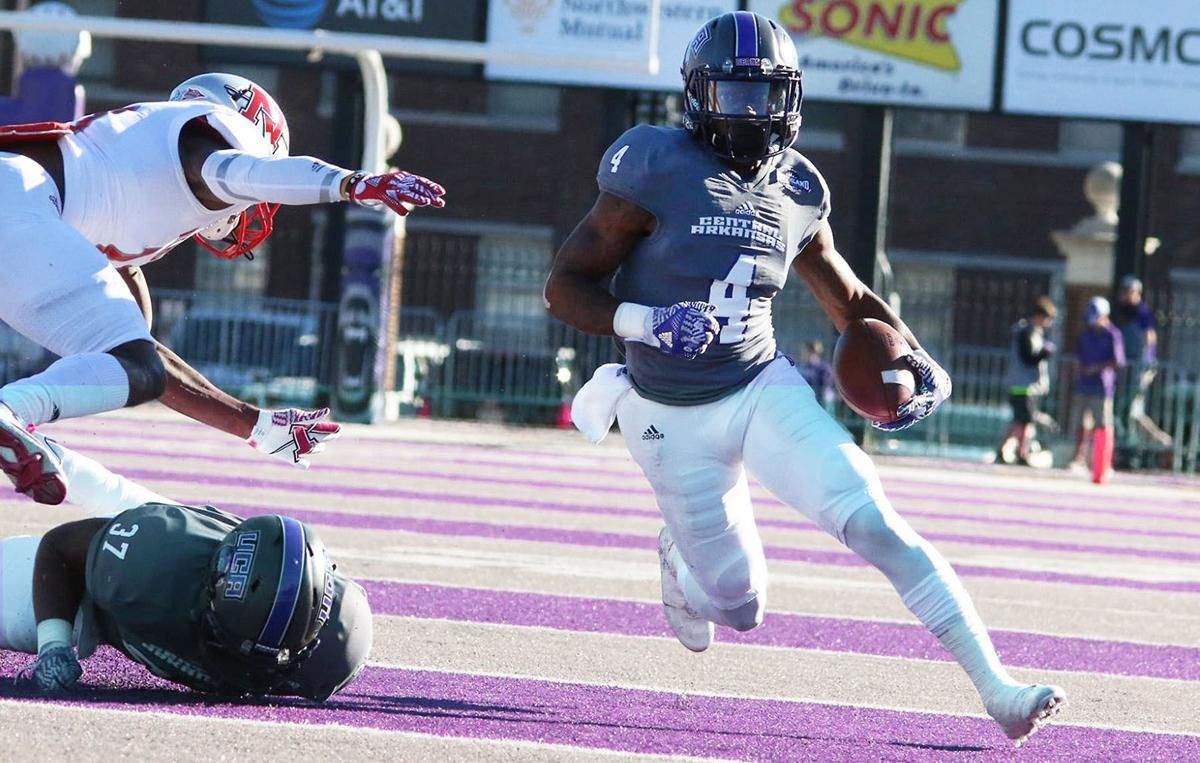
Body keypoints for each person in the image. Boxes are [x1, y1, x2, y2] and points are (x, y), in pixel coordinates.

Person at [545, 11, 1064, 747]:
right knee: (739, 605)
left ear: (791, 97)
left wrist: (917, 360)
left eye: (766, 95)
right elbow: (563, 287)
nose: (752, 113)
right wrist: (645, 323)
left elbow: (851, 303)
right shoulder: (651, 165)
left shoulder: (797, 186)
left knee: (874, 518)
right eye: (734, 94)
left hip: (760, 385)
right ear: (697, 96)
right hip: (668, 409)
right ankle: (682, 560)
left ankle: (998, 689)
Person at [0, 71, 446, 504]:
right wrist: (354, 184)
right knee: (131, 364)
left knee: (133, 365)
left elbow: (146, 366)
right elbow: (242, 174)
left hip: (24, 205)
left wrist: (257, 426)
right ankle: (13, 412)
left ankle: (13, 415)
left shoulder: (117, 182)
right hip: (19, 197)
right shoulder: (204, 142)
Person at [1, 433, 372, 699]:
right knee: (17, 598)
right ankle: (33, 437)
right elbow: (59, 548)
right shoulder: (146, 570)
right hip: (145, 565)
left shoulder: (335, 652)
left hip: (174, 540)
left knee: (119, 496)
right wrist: (54, 645)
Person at [1112, 276, 1172, 450]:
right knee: (1133, 411)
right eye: (1123, 291)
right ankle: (1157, 440)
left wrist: (1146, 368)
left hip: (1140, 368)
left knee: (1130, 408)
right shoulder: (1123, 311)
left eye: (1128, 292)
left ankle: (1159, 441)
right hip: (1130, 368)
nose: (1124, 295)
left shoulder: (1141, 312)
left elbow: (1150, 337)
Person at [1068, 296, 1125, 481]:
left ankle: (1104, 463)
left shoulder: (1113, 334)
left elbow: (1118, 361)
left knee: (1103, 425)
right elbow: (1079, 355)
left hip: (1102, 387)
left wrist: (1097, 367)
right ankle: (1079, 459)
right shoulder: (1086, 334)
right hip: (1084, 384)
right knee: (1081, 423)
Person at [996, 297, 1056, 466]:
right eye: (1047, 318)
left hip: (1022, 384)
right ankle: (1022, 452)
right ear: (1039, 316)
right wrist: (1045, 352)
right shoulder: (1027, 332)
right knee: (1026, 421)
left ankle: (1005, 449)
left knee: (1019, 420)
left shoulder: (1030, 332)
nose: (1048, 323)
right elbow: (1028, 358)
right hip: (1024, 385)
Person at [797, 340, 836, 408]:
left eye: (804, 351)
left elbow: (826, 385)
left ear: (811, 352)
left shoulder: (824, 367)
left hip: (822, 401)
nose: (802, 354)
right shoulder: (803, 367)